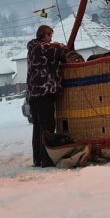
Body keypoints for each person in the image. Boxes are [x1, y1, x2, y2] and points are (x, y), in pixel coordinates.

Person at [26, 24, 67, 168]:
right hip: (44, 93)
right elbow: (61, 50)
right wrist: (59, 45)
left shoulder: (32, 48)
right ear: (43, 36)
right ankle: (47, 159)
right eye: (50, 35)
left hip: (33, 95)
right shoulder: (43, 48)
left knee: (37, 128)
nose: (51, 39)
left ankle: (37, 159)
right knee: (47, 127)